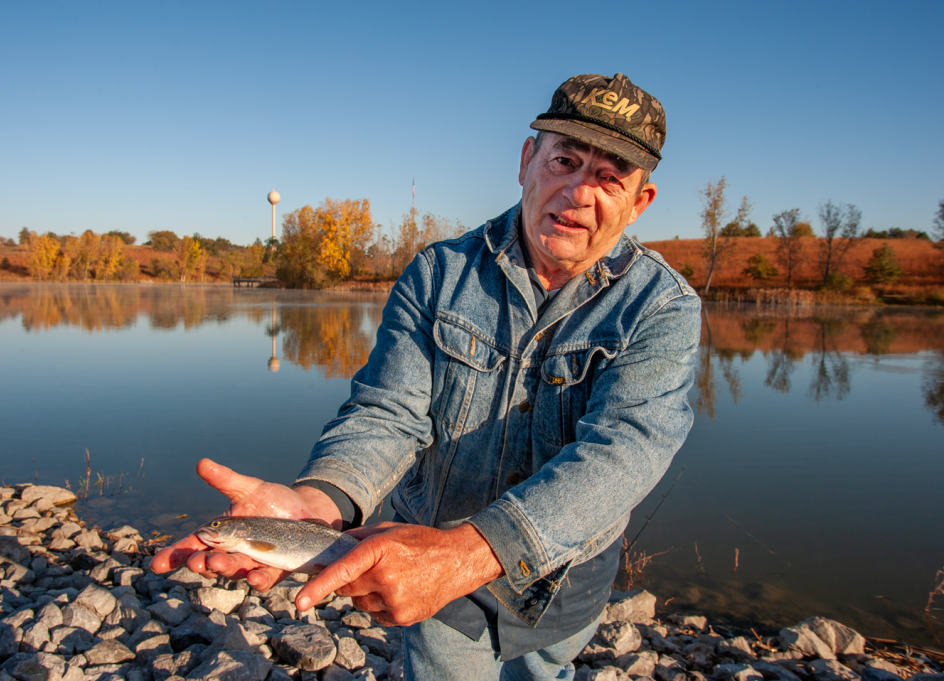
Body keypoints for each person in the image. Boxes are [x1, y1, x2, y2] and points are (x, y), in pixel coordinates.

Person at [152, 72, 701, 680]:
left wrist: (473, 551)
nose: (578, 192)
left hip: (564, 578)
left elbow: (624, 452)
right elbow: (388, 413)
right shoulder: (439, 274)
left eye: (609, 178)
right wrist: (322, 499)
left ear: (638, 202)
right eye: (565, 160)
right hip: (433, 572)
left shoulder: (663, 307)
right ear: (527, 161)